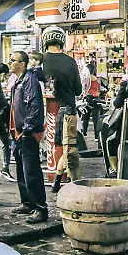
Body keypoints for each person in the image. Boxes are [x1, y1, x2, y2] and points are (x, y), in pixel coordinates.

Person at [41, 28, 83, 192]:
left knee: (63, 148)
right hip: (68, 111)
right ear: (61, 41)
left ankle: (57, 180)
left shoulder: (42, 62)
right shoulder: (70, 61)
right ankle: (76, 186)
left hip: (51, 112)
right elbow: (78, 90)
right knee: (70, 150)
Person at [9, 51, 48, 223]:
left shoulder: (29, 80)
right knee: (21, 169)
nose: (10, 63)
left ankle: (40, 208)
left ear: (22, 64)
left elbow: (33, 105)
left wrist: (27, 129)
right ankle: (28, 202)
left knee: (31, 171)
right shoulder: (18, 81)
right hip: (18, 133)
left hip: (27, 133)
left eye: (13, 60)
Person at [80, 59, 104, 138]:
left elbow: (83, 88)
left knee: (85, 117)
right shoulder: (97, 79)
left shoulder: (85, 79)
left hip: (87, 98)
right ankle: (97, 136)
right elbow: (99, 89)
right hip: (96, 99)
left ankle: (84, 133)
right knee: (96, 119)